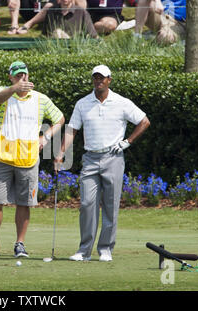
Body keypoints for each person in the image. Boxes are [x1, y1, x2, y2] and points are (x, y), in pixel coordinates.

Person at [54, 65, 150, 262]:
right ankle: (84, 251)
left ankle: (105, 248)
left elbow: (144, 121)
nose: (99, 81)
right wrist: (60, 153)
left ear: (109, 80)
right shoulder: (83, 103)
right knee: (87, 203)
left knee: (110, 205)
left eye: (102, 78)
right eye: (95, 78)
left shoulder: (121, 102)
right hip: (90, 158)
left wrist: (127, 142)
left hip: (113, 158)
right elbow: (72, 130)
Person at [0, 61, 65, 258]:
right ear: (11, 77)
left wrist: (47, 136)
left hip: (28, 158)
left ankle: (20, 244)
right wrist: (14, 88)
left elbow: (59, 118)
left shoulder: (41, 99)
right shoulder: (4, 92)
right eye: (17, 75)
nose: (22, 78)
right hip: (3, 157)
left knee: (24, 203)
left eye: (24, 74)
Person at [16, 0, 87, 35]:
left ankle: (28, 24)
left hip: (53, 12)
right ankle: (16, 25)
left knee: (49, 5)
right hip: (29, 10)